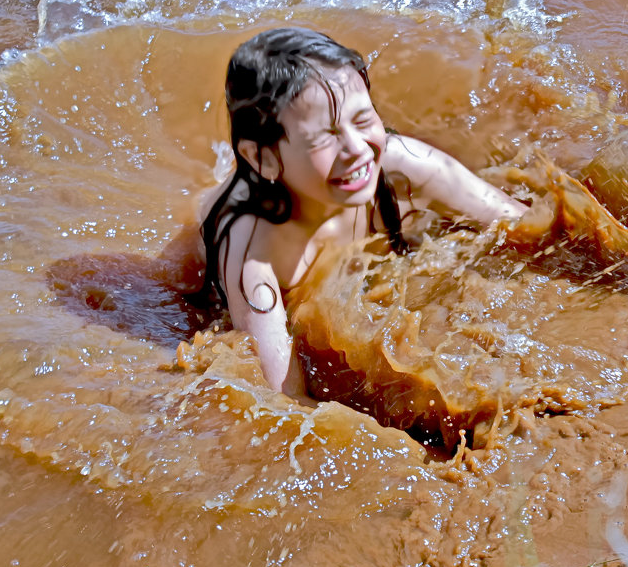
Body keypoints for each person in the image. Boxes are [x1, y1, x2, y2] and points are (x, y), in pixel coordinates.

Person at [199, 27, 526, 400]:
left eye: (363, 120)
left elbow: (523, 224)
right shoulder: (255, 258)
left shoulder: (404, 165)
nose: (356, 149)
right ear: (263, 158)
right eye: (324, 137)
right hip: (234, 220)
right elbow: (284, 399)